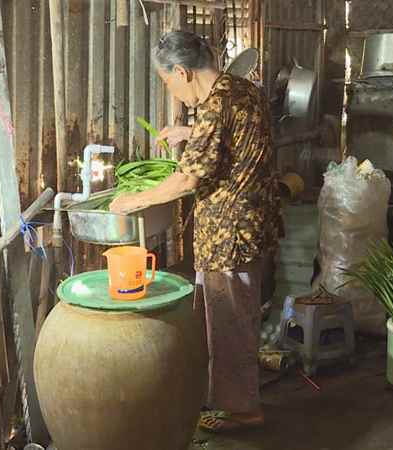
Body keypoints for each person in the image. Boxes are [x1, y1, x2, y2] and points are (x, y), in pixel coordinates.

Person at [110, 30, 281, 433]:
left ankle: (242, 411)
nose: (171, 90)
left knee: (229, 322)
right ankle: (231, 395)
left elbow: (188, 179)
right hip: (250, 227)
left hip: (229, 234)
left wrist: (135, 200)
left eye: (167, 81)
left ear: (183, 72)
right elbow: (235, 138)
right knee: (234, 317)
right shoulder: (241, 90)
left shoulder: (215, 105)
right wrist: (191, 134)